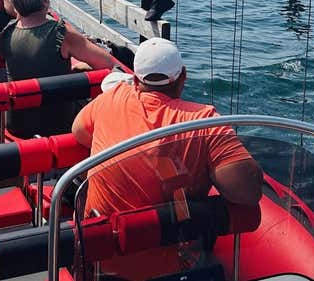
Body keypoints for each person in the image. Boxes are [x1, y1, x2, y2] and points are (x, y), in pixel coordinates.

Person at [72, 37, 262, 280]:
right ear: (183, 77)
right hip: (173, 271)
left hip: (102, 265)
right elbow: (248, 191)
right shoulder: (205, 122)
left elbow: (79, 132)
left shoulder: (112, 98)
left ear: (136, 79)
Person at [0, 0, 117, 138]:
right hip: (58, 124)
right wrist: (79, 67)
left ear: (15, 6)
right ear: (45, 0)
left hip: (18, 124)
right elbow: (106, 63)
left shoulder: (7, 32)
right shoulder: (60, 32)